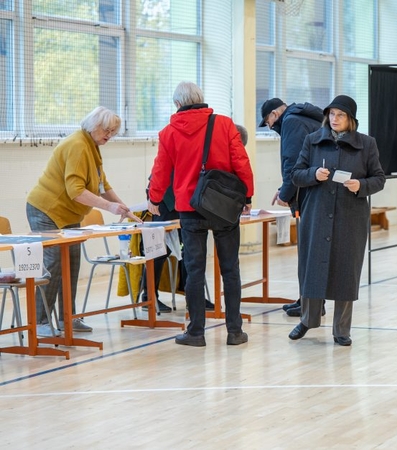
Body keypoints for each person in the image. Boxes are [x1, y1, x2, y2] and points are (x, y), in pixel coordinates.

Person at [147, 81, 254, 347]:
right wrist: (247, 196)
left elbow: (161, 170)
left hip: (189, 208)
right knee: (230, 269)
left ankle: (196, 333)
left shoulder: (169, 132)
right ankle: (234, 331)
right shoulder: (224, 124)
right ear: (201, 98)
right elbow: (241, 161)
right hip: (223, 206)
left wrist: (154, 199)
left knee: (194, 270)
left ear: (178, 104)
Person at [26, 106, 142, 337]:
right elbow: (76, 191)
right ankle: (40, 321)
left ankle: (67, 317)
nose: (109, 135)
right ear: (94, 126)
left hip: (69, 215)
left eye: (113, 131)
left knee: (72, 264)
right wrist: (109, 207)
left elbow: (102, 185)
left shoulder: (92, 146)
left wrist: (123, 208)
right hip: (46, 210)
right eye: (107, 130)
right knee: (54, 263)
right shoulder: (78, 145)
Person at [288, 95, 386, 346]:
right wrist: (314, 174)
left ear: (351, 119)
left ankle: (341, 330)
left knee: (346, 271)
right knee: (311, 268)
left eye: (340, 115)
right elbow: (296, 175)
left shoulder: (367, 144)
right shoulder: (312, 140)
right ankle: (307, 320)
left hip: (350, 216)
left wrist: (360, 185)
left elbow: (379, 179)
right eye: (331, 114)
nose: (334, 119)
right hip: (316, 214)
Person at [139, 124, 248, 314]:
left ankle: (193, 298)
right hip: (166, 197)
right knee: (159, 249)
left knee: (188, 250)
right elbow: (163, 170)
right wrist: (154, 197)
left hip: (187, 199)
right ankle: (148, 296)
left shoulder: (212, 139)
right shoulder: (206, 139)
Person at [259, 97, 324, 317]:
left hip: (308, 193)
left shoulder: (291, 122)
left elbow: (293, 162)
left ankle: (311, 304)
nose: (270, 127)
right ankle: (308, 299)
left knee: (308, 251)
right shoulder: (303, 118)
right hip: (315, 189)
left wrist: (285, 194)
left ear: (274, 114)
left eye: (268, 122)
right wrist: (283, 188)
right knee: (311, 250)